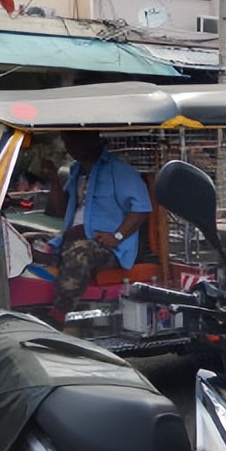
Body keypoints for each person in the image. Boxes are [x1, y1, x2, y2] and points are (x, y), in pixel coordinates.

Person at [41, 131, 151, 320]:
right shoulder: (76, 171)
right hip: (70, 239)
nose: (70, 148)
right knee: (29, 244)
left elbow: (142, 208)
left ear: (91, 140)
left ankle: (58, 314)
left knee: (80, 252)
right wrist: (53, 179)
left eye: (74, 141)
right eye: (67, 142)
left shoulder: (119, 170)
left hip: (108, 247)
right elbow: (62, 211)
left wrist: (116, 236)